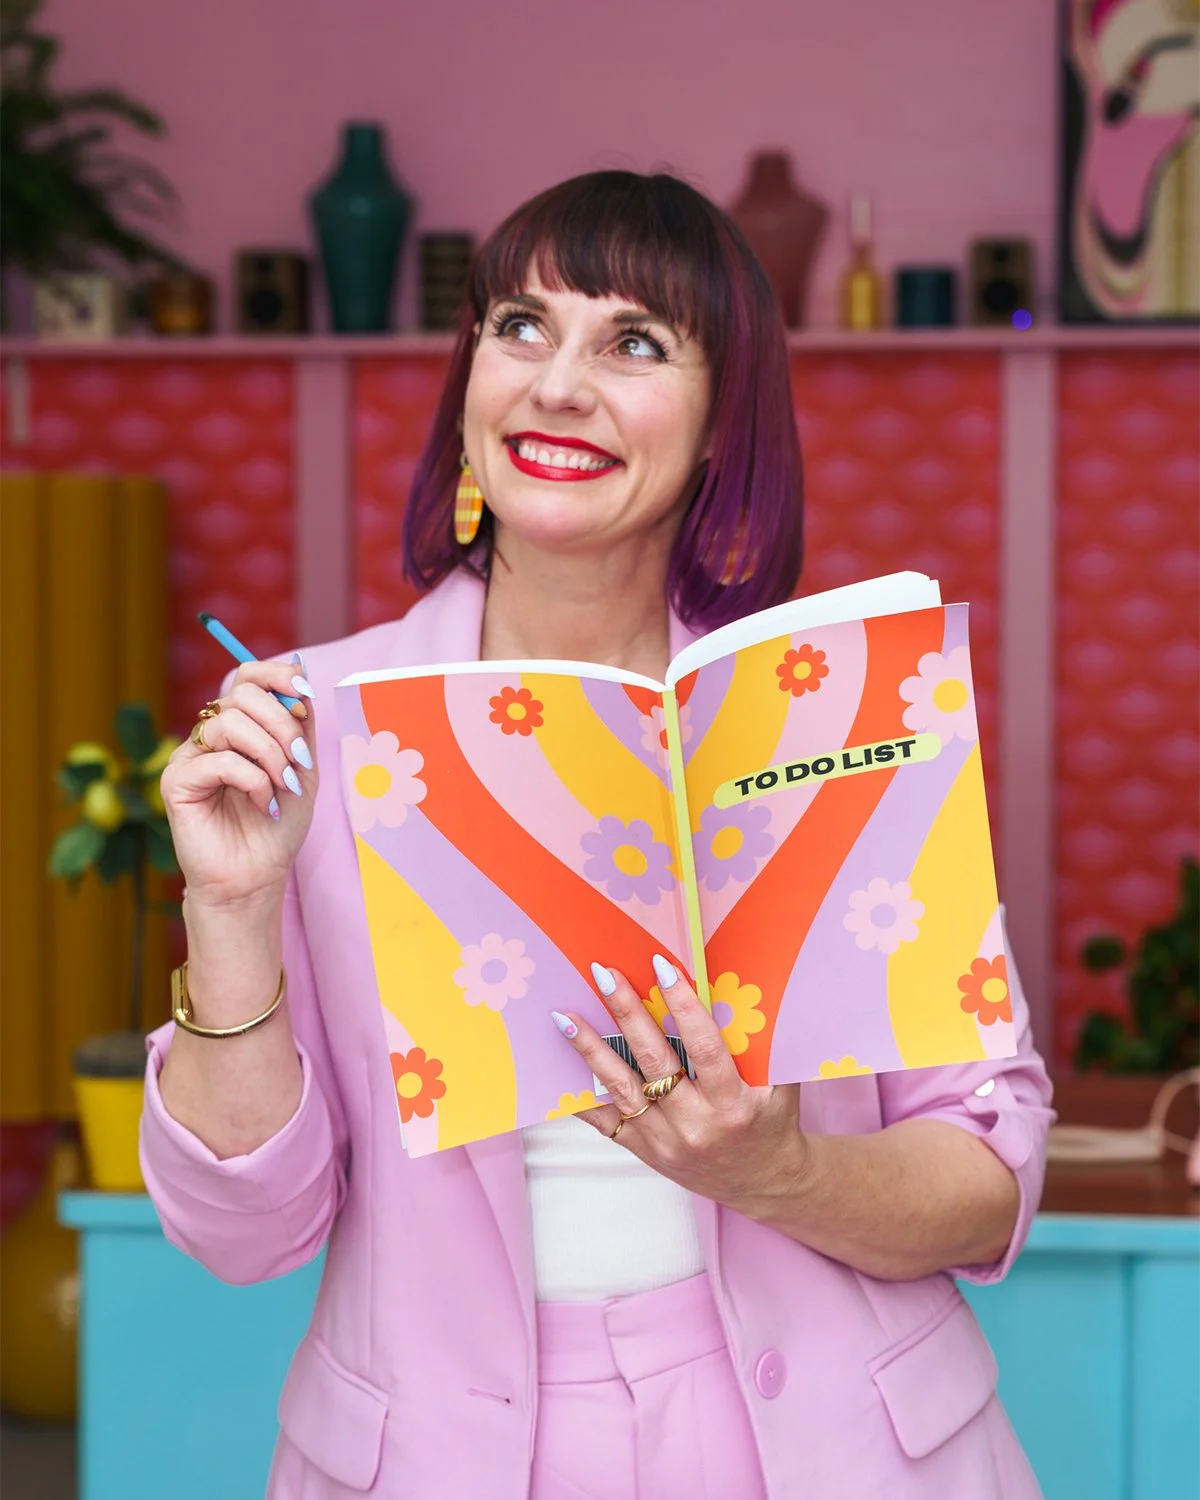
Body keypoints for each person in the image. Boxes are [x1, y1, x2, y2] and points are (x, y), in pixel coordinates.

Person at [146, 170, 1054, 1500]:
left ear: (719, 428)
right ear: (469, 385)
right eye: (520, 326)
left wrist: (777, 1169)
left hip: (837, 1451)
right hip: (439, 1458)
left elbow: (989, 1170)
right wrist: (228, 907)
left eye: (634, 343)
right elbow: (242, 1235)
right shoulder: (308, 730)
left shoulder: (834, 713)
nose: (558, 384)